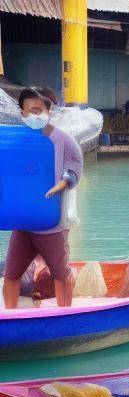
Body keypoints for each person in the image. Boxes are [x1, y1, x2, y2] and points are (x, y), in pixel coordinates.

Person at [2, 87, 83, 309]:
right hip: (23, 223)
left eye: (39, 110)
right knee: (11, 273)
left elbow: (75, 168)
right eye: (30, 111)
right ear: (21, 113)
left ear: (49, 110)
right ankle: (10, 317)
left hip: (50, 224)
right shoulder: (16, 139)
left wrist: (64, 180)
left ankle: (64, 315)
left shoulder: (61, 139)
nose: (34, 116)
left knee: (60, 273)